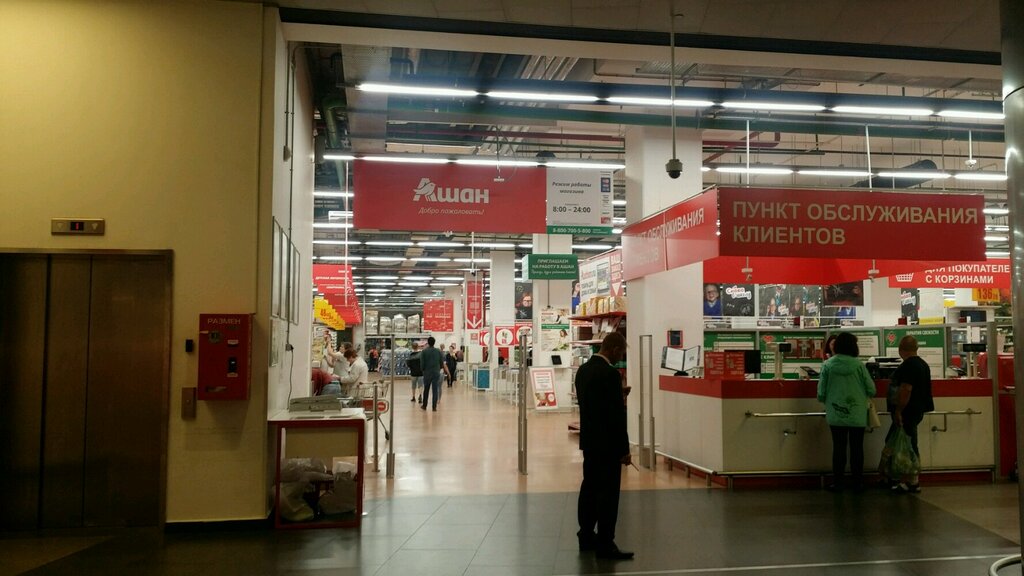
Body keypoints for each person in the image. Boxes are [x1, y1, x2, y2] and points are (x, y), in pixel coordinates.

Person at [575, 331, 633, 560]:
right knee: (608, 495)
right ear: (614, 349)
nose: (621, 357)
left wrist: (617, 394)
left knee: (589, 489)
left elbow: (593, 403)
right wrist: (624, 450)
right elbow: (615, 416)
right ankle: (606, 543)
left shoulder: (583, 371)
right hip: (608, 446)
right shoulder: (610, 374)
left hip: (590, 442)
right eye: (621, 353)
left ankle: (586, 535)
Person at [817, 332, 876, 492]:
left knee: (839, 448)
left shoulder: (827, 365)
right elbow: (871, 389)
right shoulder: (859, 366)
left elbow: (821, 393)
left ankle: (838, 483)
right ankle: (857, 483)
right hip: (857, 413)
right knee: (857, 448)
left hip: (835, 413)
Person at [888, 335, 934, 494]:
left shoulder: (908, 366)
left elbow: (906, 389)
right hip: (918, 410)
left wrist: (898, 410)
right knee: (907, 443)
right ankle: (906, 479)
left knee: (908, 446)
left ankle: (910, 481)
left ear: (901, 350)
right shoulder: (923, 365)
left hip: (907, 411)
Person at [420, 336, 448, 412]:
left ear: (428, 343)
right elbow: (441, 362)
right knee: (435, 389)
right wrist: (438, 368)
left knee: (426, 389)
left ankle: (424, 405)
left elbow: (422, 363)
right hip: (436, 372)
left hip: (427, 373)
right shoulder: (438, 351)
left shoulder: (424, 351)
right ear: (434, 343)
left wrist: (423, 370)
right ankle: (434, 407)